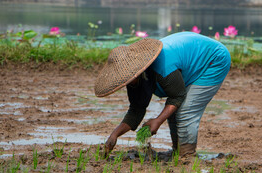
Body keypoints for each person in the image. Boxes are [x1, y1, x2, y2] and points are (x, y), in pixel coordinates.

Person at [95, 31, 231, 158]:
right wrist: (114, 135)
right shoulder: (134, 81)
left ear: (138, 71)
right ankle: (178, 152)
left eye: (128, 78)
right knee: (173, 111)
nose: (127, 82)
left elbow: (178, 96)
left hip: (213, 59)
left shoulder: (163, 68)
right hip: (187, 60)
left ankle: (187, 155)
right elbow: (136, 111)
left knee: (185, 110)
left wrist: (158, 121)